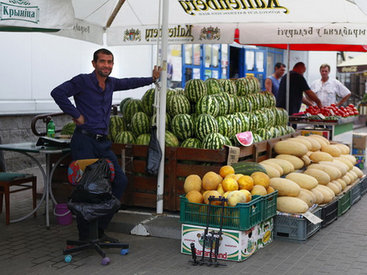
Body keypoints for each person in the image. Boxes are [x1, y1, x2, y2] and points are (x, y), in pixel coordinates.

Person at [51, 48, 161, 242]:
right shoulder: (82, 81)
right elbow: (58, 93)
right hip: (84, 142)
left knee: (120, 181)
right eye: (103, 62)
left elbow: (128, 83)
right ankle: (86, 236)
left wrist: (151, 79)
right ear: (94, 63)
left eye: (110, 62)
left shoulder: (110, 83)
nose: (107, 65)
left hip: (103, 144)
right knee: (87, 189)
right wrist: (75, 114)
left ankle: (100, 229)